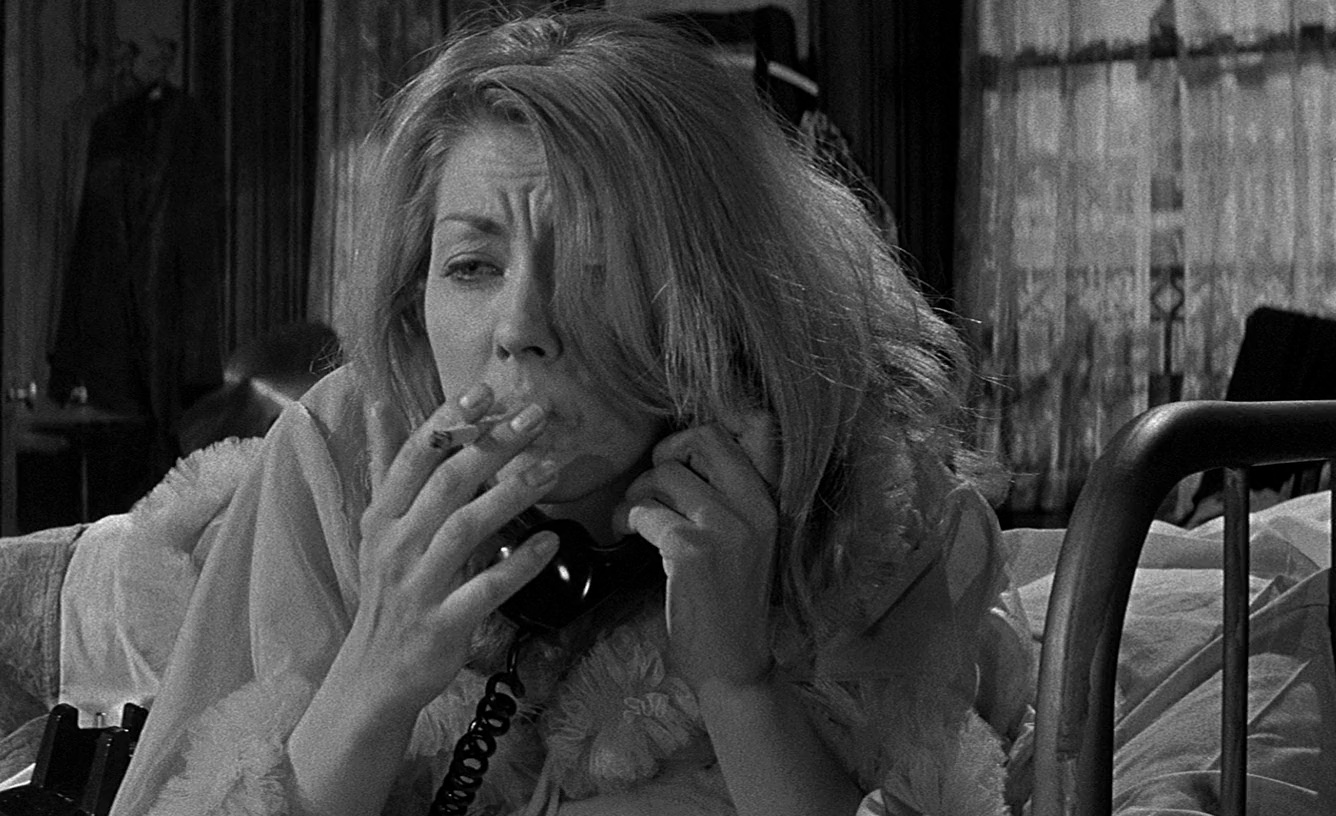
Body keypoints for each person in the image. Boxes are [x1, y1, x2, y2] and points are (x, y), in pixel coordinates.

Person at [109, 10, 1030, 816]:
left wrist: (738, 682)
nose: (519, 329)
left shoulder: (876, 510)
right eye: (472, 266)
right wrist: (376, 674)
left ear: (708, 301)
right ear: (413, 302)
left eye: (593, 267)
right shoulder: (341, 451)